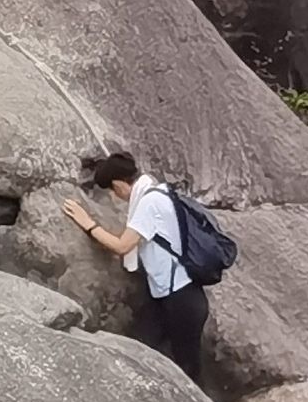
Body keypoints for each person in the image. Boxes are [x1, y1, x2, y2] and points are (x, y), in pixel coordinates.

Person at [63, 152, 206, 379]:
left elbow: (123, 246)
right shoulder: (159, 192)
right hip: (170, 295)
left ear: (119, 183)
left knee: (186, 368)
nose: (115, 196)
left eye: (112, 190)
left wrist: (88, 224)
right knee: (143, 349)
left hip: (181, 298)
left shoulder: (149, 203)